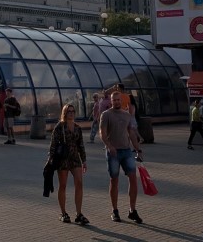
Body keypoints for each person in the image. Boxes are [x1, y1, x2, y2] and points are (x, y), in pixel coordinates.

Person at [99, 90, 143, 224]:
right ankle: (115, 210)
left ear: (121, 101)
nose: (117, 102)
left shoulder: (126, 115)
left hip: (126, 151)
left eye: (118, 100)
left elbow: (131, 133)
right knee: (114, 180)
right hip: (113, 153)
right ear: (111, 101)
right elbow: (102, 132)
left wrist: (138, 149)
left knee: (133, 179)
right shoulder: (106, 115)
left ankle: (132, 210)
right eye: (114, 100)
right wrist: (109, 146)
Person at [49, 103, 89, 225]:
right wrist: (51, 160)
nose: (71, 113)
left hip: (75, 158)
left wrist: (84, 160)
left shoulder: (77, 128)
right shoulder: (59, 127)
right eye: (69, 111)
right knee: (63, 185)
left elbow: (81, 145)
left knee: (79, 183)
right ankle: (63, 213)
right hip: (63, 159)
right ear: (64, 113)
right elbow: (53, 144)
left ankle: (79, 214)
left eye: (73, 111)